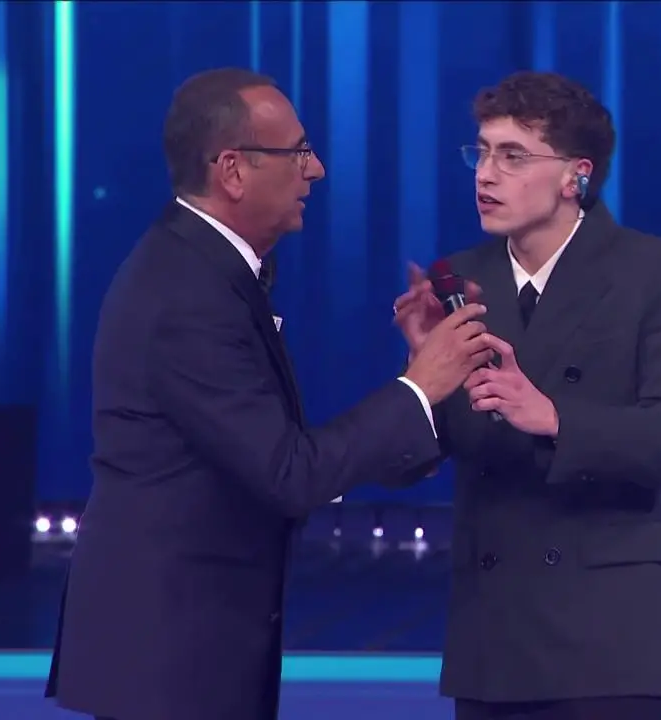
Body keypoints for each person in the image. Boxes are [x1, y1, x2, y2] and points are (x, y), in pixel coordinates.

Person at [45, 67, 495, 720]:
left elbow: (283, 457)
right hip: (167, 664)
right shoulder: (186, 294)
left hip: (190, 652)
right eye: (298, 152)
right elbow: (289, 473)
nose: (317, 170)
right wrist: (419, 384)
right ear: (232, 170)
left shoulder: (208, 270)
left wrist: (423, 381)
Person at [391, 71, 661, 720]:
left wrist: (554, 418)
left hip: (607, 642)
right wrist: (422, 372)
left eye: (513, 156)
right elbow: (413, 462)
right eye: (481, 152)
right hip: (491, 640)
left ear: (576, 176)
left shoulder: (654, 271)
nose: (486, 175)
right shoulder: (460, 279)